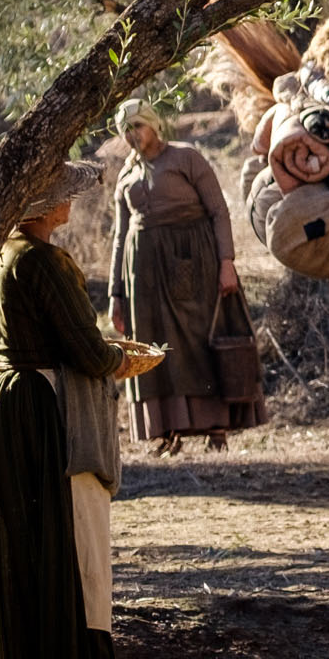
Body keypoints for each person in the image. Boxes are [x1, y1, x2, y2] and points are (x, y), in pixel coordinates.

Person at [0, 160, 133, 659]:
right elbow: (86, 350)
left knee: (14, 549)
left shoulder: (2, 255)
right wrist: (121, 361)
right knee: (59, 548)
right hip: (37, 411)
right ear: (40, 207)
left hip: (2, 405)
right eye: (64, 195)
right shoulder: (41, 260)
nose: (72, 203)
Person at [106, 103, 254, 451]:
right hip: (142, 275)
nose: (133, 135)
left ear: (154, 124)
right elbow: (119, 233)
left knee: (197, 338)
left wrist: (226, 261)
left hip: (193, 261)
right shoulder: (127, 174)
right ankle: (167, 430)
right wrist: (116, 293)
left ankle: (215, 427)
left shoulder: (186, 158)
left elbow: (218, 210)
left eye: (138, 126)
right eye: (125, 130)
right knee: (154, 346)